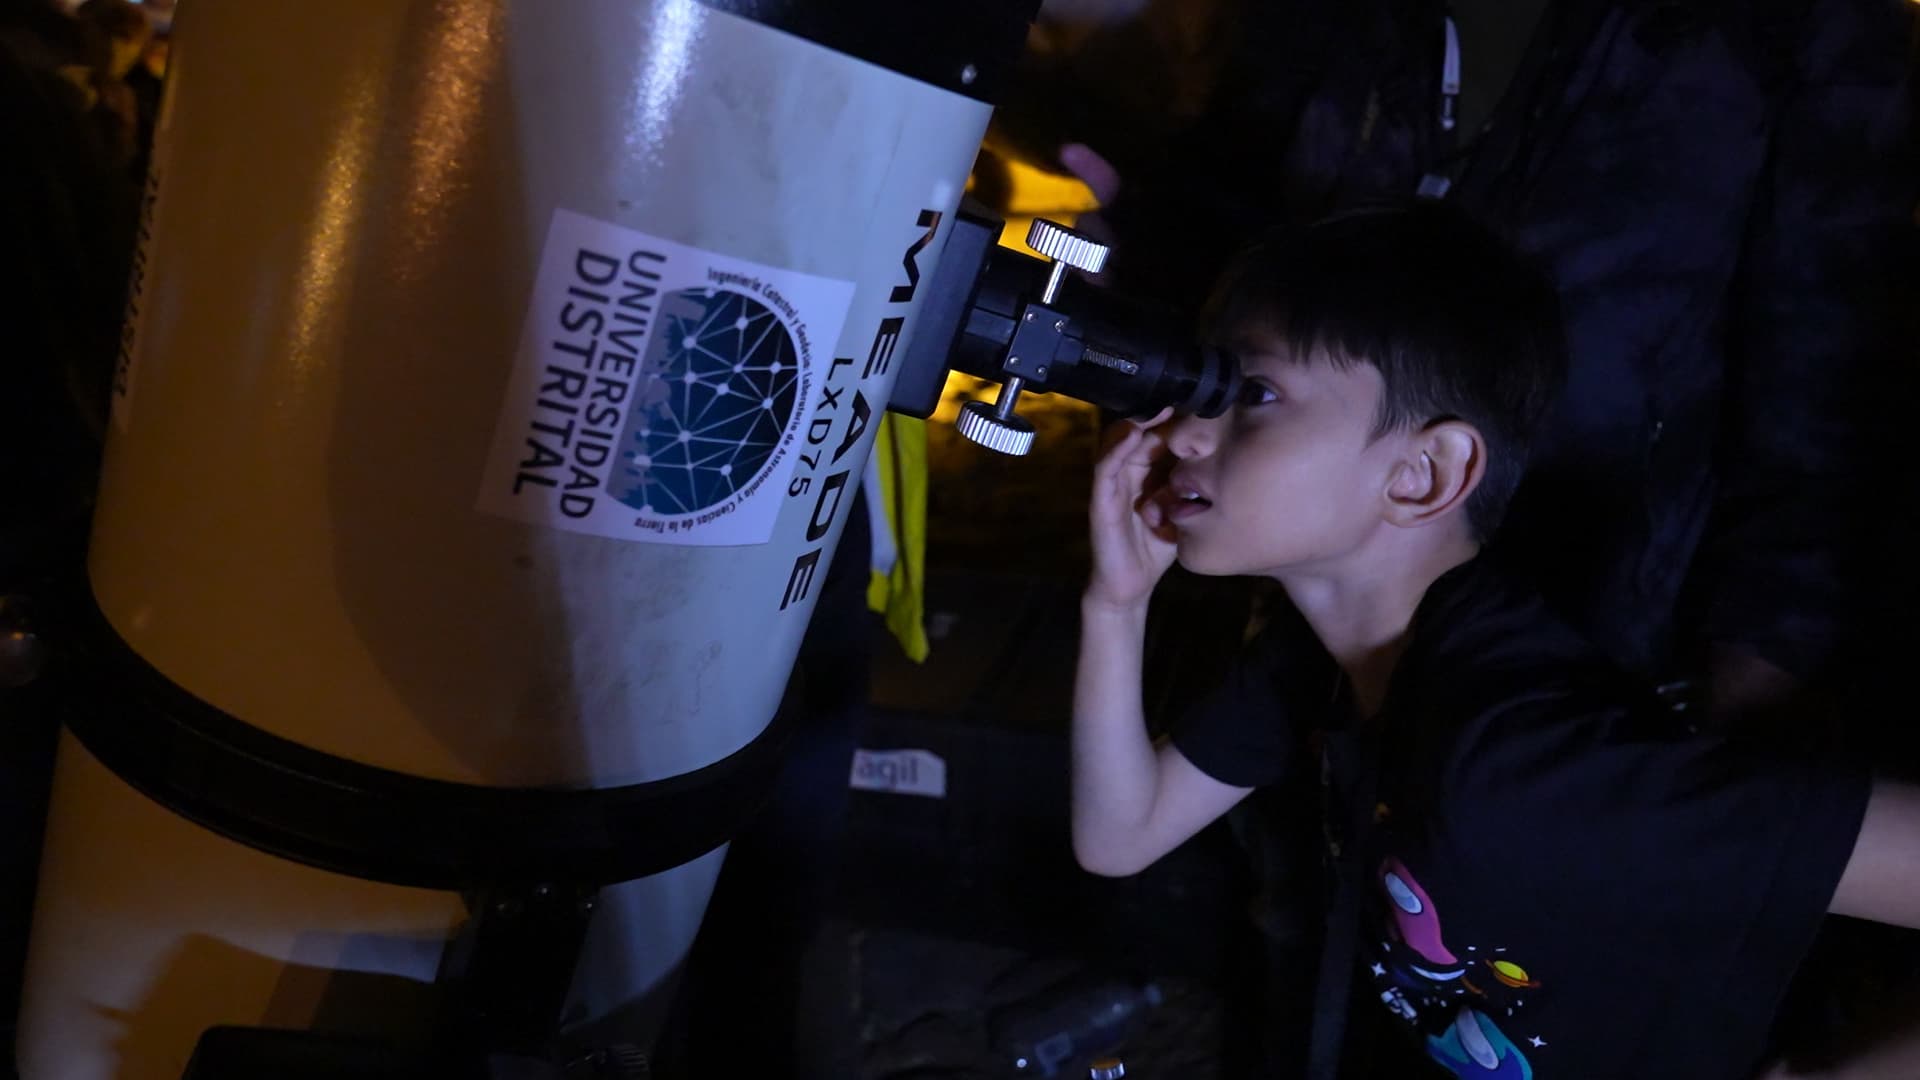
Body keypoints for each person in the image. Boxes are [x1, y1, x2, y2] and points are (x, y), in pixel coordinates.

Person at [1070, 202, 1920, 1079]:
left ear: (1425, 473)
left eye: (1253, 393)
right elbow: (1119, 836)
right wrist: (1116, 605)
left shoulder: (1530, 767)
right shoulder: (1320, 658)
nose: (1179, 431)